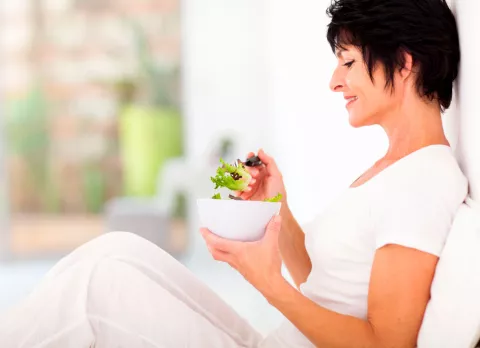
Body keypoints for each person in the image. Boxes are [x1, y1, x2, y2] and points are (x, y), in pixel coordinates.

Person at [0, 0, 468, 347]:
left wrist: (267, 283)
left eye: (348, 61)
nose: (334, 80)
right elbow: (322, 284)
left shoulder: (424, 181)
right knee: (115, 252)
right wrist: (276, 208)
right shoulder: (394, 168)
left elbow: (386, 345)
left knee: (95, 290)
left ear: (404, 63)